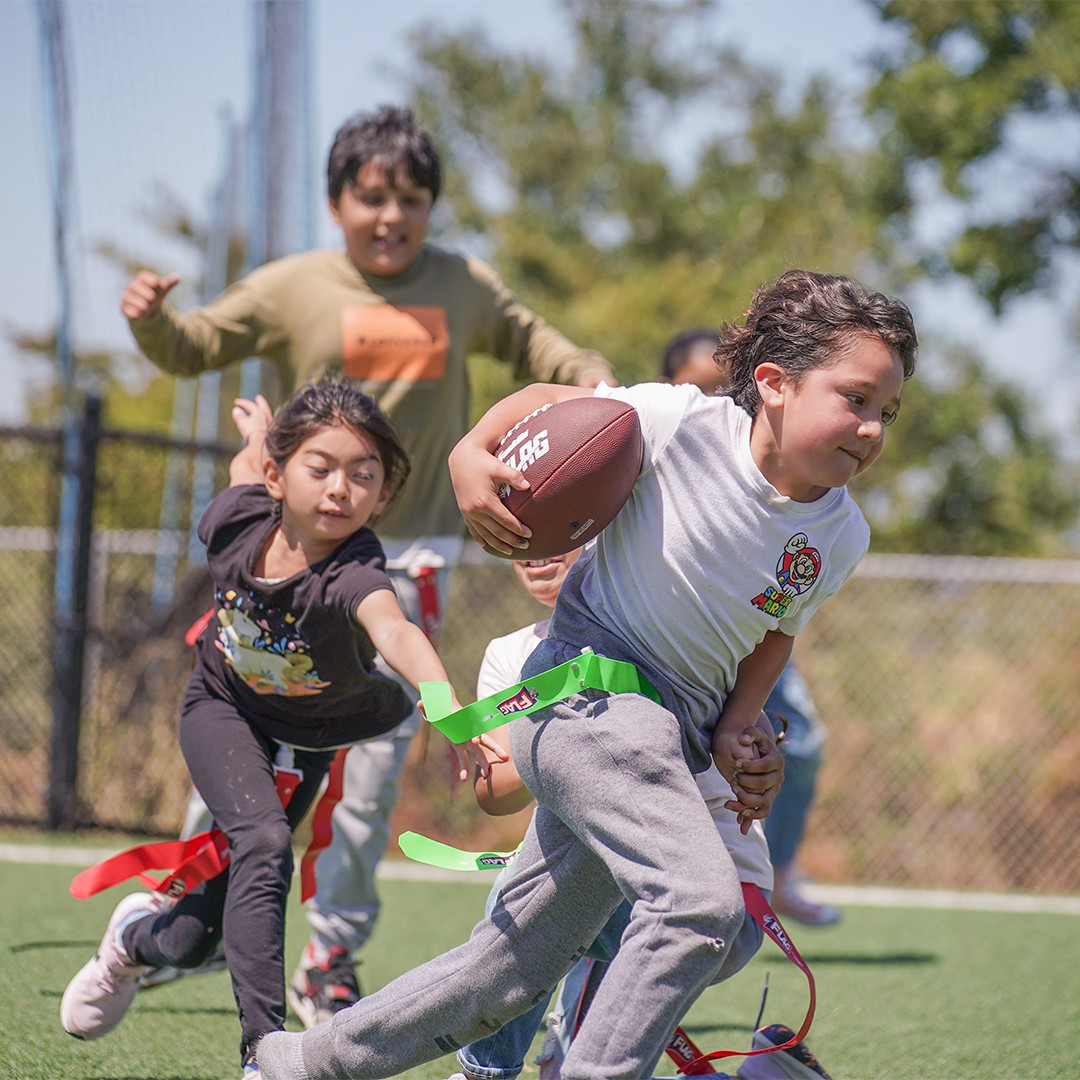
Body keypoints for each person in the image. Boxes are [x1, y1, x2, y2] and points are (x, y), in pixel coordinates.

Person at [255, 268, 917, 1080]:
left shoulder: (841, 535)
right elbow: (546, 397)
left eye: (888, 411)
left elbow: (775, 635)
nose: (873, 428)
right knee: (697, 907)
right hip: (588, 694)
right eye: (856, 399)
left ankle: (300, 1063)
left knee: (509, 969)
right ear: (776, 384)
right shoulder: (679, 422)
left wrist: (740, 724)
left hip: (664, 740)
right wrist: (469, 455)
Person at [120, 104, 614, 1023]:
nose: (391, 216)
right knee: (249, 746)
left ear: (431, 207)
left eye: (411, 199)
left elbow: (543, 347)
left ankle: (329, 957)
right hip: (288, 566)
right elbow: (194, 346)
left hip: (404, 563)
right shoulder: (292, 285)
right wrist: (153, 321)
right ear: (337, 202)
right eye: (372, 197)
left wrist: (593, 384)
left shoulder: (462, 285)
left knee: (369, 772)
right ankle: (187, 914)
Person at [59, 377, 497, 1079]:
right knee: (264, 844)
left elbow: (395, 631)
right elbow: (243, 468)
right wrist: (257, 436)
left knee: (194, 940)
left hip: (311, 736)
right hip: (223, 707)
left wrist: (446, 707)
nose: (340, 489)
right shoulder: (236, 519)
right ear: (277, 476)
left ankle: (131, 942)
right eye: (319, 468)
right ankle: (264, 1052)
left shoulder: (355, 572)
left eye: (363, 475)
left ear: (383, 496)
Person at [450, 550, 829, 1080]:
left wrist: (755, 749)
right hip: (603, 896)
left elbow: (755, 698)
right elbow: (494, 794)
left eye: (561, 523)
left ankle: (483, 1074)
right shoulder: (510, 653)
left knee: (533, 902)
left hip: (710, 902)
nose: (538, 551)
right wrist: (554, 720)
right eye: (521, 533)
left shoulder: (672, 635)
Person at [661, 328, 841, 926]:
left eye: (728, 387)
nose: (720, 401)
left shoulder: (822, 508)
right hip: (666, 658)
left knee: (798, 746)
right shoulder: (668, 438)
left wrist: (741, 717)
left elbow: (783, 615)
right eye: (701, 387)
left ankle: (776, 875)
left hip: (751, 646)